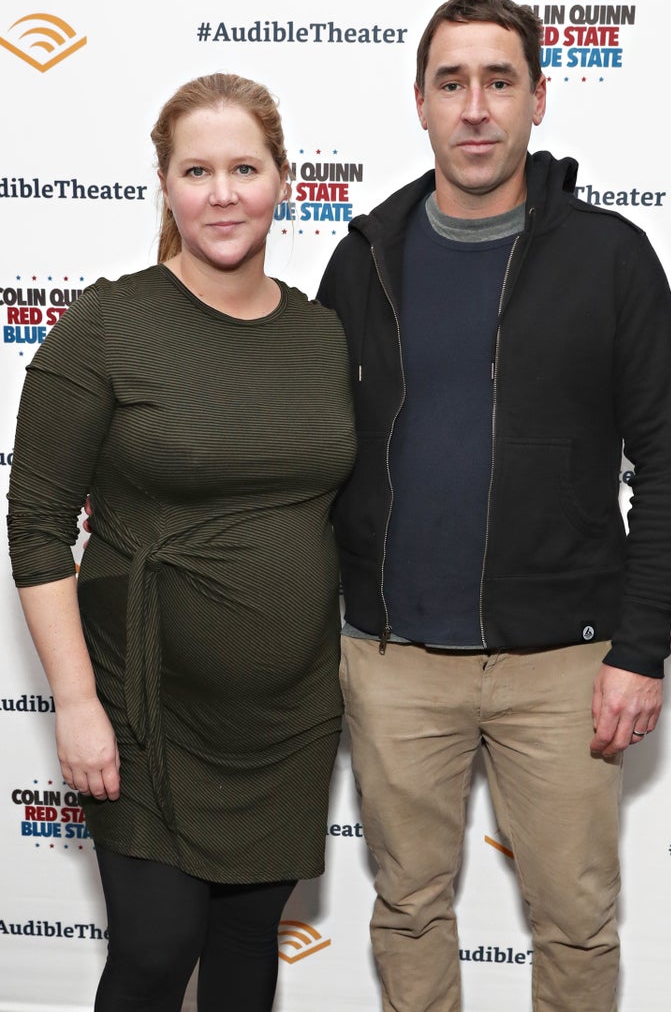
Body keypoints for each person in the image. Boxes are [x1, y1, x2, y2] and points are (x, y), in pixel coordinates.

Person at [317, 0, 671, 1012]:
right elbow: (311, 452)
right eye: (453, 83)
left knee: (575, 923)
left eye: (499, 81)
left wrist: (637, 646)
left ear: (540, 96)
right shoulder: (361, 260)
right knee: (407, 907)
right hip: (395, 660)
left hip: (567, 665)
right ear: (420, 102)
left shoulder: (610, 258)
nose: (475, 107)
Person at [7, 72, 356, 1012]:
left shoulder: (324, 336)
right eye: (196, 170)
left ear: (283, 178)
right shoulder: (110, 323)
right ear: (164, 184)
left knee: (246, 952)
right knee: (158, 953)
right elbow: (36, 525)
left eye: (244, 167)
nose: (222, 192)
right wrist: (75, 704)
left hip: (289, 719)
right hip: (142, 711)